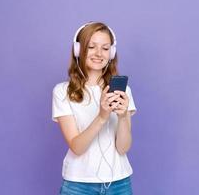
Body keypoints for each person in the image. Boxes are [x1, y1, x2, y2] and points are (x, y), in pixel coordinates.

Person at [52, 22, 136, 195]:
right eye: (91, 47)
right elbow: (77, 147)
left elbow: (123, 148)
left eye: (105, 48)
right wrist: (102, 117)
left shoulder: (123, 91)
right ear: (78, 50)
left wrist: (122, 118)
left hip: (119, 183)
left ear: (111, 53)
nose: (99, 53)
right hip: (78, 185)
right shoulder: (62, 92)